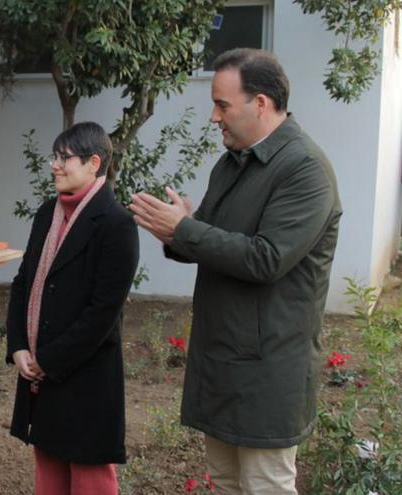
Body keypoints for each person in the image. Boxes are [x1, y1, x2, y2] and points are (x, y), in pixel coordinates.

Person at [130, 48, 342, 494]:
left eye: (222, 104)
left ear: (260, 103)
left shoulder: (305, 170)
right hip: (223, 363)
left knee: (265, 486)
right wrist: (179, 231)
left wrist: (186, 230)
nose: (214, 117)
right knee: (225, 483)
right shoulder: (231, 163)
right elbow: (209, 244)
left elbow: (265, 259)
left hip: (269, 372)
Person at [5, 122, 139, 495]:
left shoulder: (116, 224)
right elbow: (23, 282)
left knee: (90, 478)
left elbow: (102, 313)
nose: (55, 166)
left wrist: (47, 360)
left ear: (94, 163)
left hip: (85, 377)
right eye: (54, 157)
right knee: (48, 473)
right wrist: (18, 346)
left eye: (65, 158)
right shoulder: (48, 213)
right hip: (38, 373)